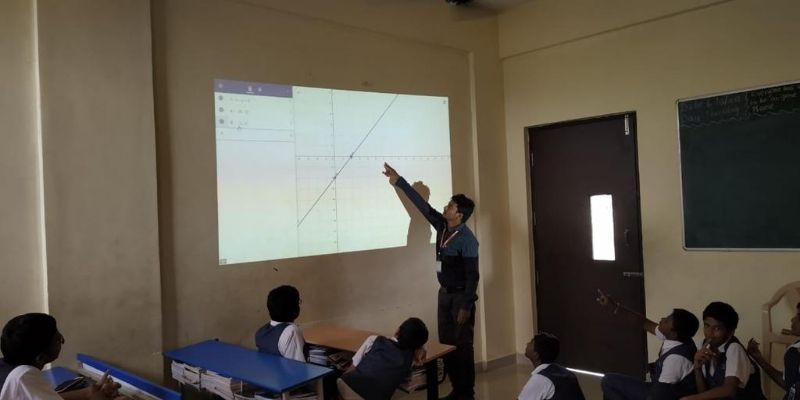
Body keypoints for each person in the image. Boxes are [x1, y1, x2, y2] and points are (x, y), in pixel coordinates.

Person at [383, 163, 479, 400]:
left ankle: (467, 393)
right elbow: (421, 205)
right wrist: (398, 181)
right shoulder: (442, 226)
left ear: (460, 214)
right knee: (446, 344)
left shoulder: (467, 240)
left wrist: (466, 306)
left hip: (460, 298)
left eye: (451, 206)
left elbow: (472, 275)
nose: (446, 207)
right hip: (444, 294)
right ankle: (457, 390)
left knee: (462, 347)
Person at [596, 289, 699, 400]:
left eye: (667, 321)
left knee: (608, 382)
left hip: (662, 394)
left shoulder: (675, 360)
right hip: (658, 387)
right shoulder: (678, 337)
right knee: (611, 388)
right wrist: (613, 306)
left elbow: (658, 396)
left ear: (673, 333)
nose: (662, 319)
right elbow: (642, 322)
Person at [0, 313, 123, 400]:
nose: (63, 341)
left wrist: (87, 393)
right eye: (58, 340)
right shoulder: (22, 377)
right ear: (40, 358)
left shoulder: (6, 367)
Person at [680, 302, 765, 400]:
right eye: (707, 326)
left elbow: (729, 390)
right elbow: (704, 394)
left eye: (717, 328)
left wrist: (690, 399)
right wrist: (697, 369)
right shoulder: (703, 347)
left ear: (730, 332)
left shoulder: (734, 348)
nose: (709, 333)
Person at [338, 318, 429, 400]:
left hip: (349, 386)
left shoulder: (374, 339)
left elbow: (353, 367)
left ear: (398, 330)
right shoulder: (411, 359)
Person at [747, 301, 800, 400]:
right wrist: (759, 359)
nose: (793, 319)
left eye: (799, 316)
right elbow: (789, 384)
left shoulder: (794, 352)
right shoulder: (794, 350)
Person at [518, 333, 585, 400]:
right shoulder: (568, 373)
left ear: (536, 355)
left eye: (531, 342)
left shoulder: (541, 379)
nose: (527, 343)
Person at [255, 285, 306, 362]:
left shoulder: (260, 332)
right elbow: (298, 365)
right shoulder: (291, 331)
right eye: (298, 303)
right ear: (293, 310)